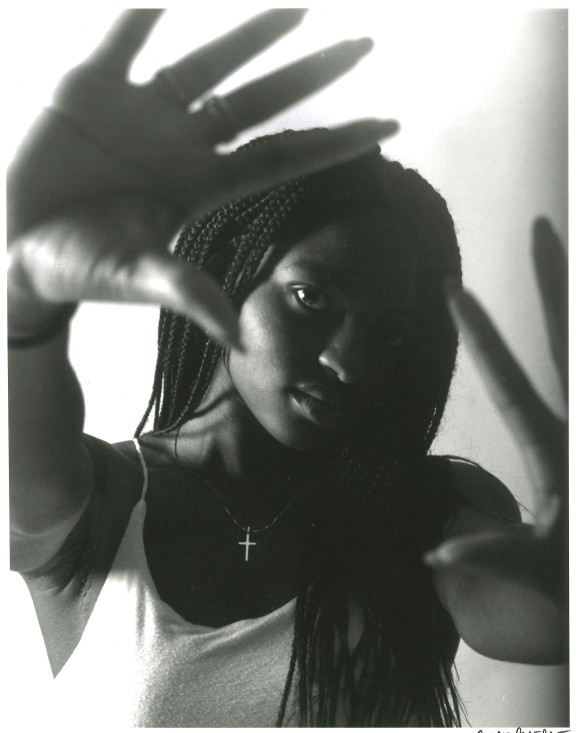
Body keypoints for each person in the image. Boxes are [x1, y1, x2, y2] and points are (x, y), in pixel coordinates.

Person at [8, 9, 567, 728]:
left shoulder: (425, 514)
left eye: (387, 337)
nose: (348, 361)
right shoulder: (96, 508)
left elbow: (542, 615)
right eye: (312, 298)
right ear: (227, 270)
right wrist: (20, 293)